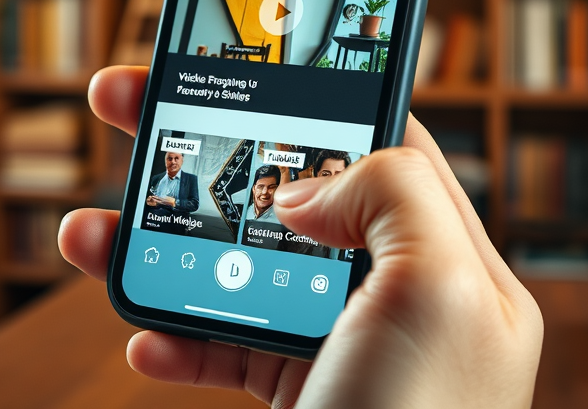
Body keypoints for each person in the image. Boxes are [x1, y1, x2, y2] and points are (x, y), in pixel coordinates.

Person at [60, 66, 543, 408]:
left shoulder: (339, 241)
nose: (267, 193)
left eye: (339, 176)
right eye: (263, 187)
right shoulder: (243, 206)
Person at [145, 146, 199, 232]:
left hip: (176, 227)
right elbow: (146, 198)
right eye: (169, 158)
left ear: (182, 160)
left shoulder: (191, 179)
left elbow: (194, 204)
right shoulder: (156, 178)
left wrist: (174, 202)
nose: (173, 162)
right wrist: (148, 201)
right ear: (165, 160)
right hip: (153, 225)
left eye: (176, 158)